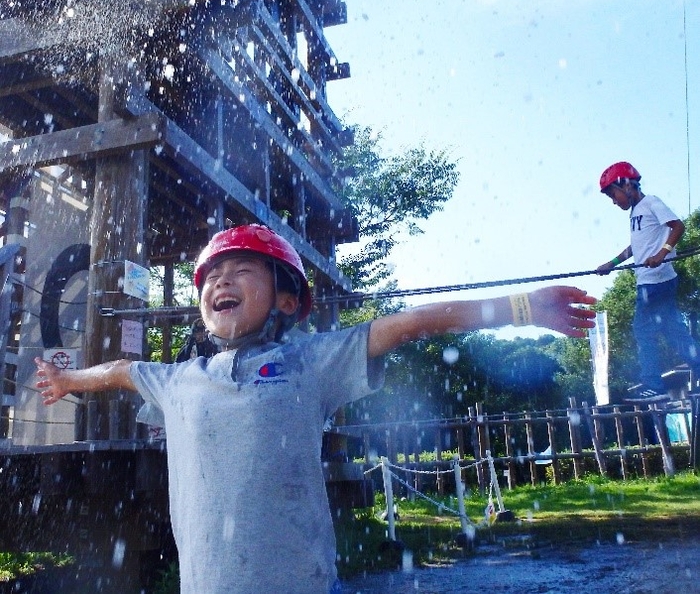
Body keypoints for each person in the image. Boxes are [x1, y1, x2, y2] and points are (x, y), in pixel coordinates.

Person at [35, 224, 596, 594]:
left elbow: (410, 323)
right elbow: (118, 372)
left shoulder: (310, 361)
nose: (223, 280)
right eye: (213, 277)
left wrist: (521, 306)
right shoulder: (180, 380)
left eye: (243, 271)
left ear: (286, 300)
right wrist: (66, 379)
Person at [596, 161, 699, 402]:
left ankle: (654, 386)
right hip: (654, 281)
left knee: (642, 331)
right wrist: (612, 263)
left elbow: (678, 226)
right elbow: (636, 247)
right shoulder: (635, 213)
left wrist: (662, 253)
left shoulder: (651, 202)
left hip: (654, 281)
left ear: (628, 185)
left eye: (614, 194)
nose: (614, 201)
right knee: (675, 332)